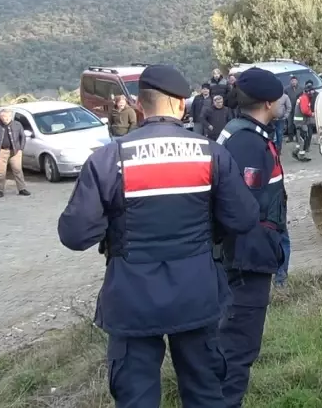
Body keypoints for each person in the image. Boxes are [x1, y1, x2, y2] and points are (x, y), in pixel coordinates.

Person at [56, 64, 260, 408]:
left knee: (136, 399)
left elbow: (75, 235)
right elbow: (244, 218)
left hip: (132, 300)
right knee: (206, 395)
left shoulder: (109, 159)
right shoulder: (211, 154)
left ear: (139, 104)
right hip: (197, 294)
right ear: (181, 105)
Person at [215, 68, 290, 407]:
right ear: (268, 103)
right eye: (280, 99)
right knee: (237, 349)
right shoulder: (247, 142)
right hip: (245, 261)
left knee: (232, 347)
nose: (283, 104)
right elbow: (242, 207)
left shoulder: (240, 132)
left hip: (245, 256)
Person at [0, 109, 29, 198]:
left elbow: (23, 137)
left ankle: (22, 189)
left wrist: (21, 149)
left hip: (15, 151)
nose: (5, 118)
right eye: (3, 116)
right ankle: (0, 190)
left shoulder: (17, 125)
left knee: (18, 170)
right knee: (0, 172)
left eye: (7, 116)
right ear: (0, 117)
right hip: (0, 151)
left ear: (11, 116)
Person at [293, 81, 318, 162]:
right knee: (305, 137)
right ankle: (301, 155)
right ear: (308, 91)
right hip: (301, 122)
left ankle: (296, 151)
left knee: (301, 138)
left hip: (299, 121)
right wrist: (312, 114)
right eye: (311, 91)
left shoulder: (303, 97)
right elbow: (304, 110)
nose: (312, 92)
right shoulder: (304, 98)